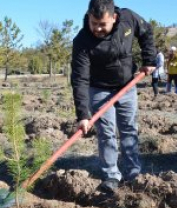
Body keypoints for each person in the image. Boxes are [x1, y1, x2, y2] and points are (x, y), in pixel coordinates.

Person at [71, 0, 156, 193]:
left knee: (128, 129)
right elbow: (80, 78)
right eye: (94, 23)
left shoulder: (128, 18)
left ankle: (133, 173)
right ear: (89, 17)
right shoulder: (82, 41)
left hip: (127, 86)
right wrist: (83, 115)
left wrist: (149, 59)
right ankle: (111, 175)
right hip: (98, 89)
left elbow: (146, 32)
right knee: (106, 132)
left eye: (103, 24)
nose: (98, 29)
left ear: (114, 17)